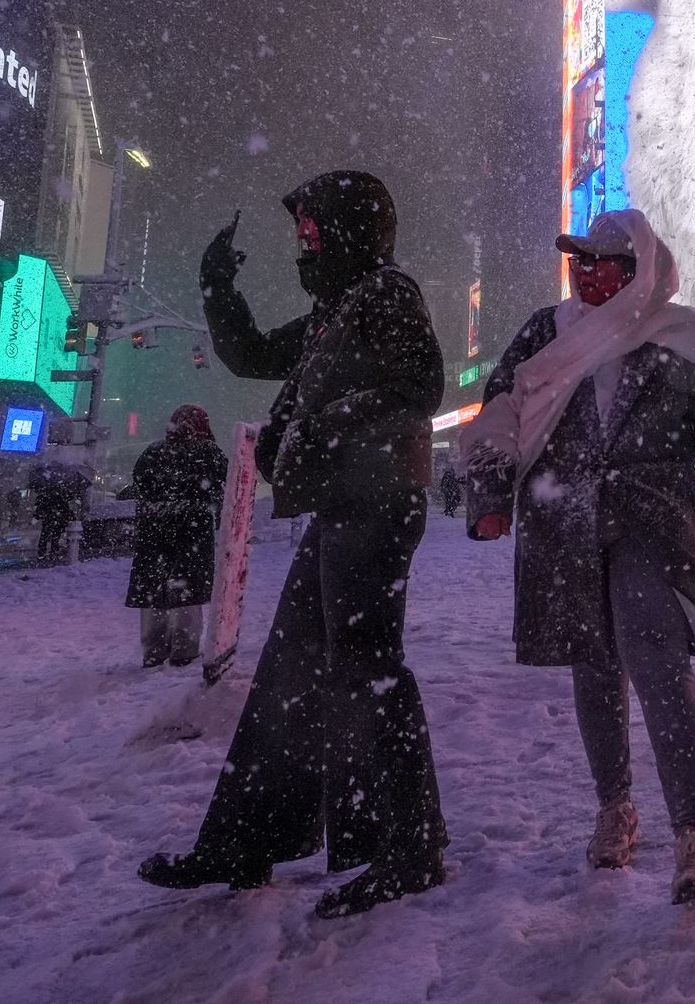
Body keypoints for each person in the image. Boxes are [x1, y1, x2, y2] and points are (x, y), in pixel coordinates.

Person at [139, 171, 448, 921]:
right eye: (300, 233)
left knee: (366, 669)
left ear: (348, 230)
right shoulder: (333, 312)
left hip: (377, 503)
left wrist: (321, 427)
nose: (302, 244)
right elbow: (246, 353)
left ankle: (410, 846)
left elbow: (421, 384)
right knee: (291, 674)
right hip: (345, 503)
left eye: (312, 231)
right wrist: (218, 285)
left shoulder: (384, 294)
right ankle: (245, 838)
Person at [463, 208, 695, 906]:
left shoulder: (687, 342)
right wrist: (490, 491)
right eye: (582, 259)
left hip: (650, 524)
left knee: (656, 661)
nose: (588, 272)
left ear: (642, 269)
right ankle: (615, 807)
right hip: (562, 522)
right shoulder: (548, 332)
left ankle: (694, 833)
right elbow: (502, 409)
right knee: (593, 666)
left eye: (605, 260)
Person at [124, 405, 228, 668]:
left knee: (153, 591)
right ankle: (184, 649)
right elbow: (224, 482)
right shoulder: (208, 452)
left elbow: (139, 482)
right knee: (187, 592)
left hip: (153, 532)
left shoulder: (154, 451)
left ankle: (154, 649)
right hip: (191, 532)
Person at [28, 450, 88, 565]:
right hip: (58, 513)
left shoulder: (46, 484)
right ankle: (52, 552)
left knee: (45, 533)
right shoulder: (64, 484)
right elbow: (68, 497)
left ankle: (42, 553)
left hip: (49, 513)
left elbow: (40, 499)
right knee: (55, 534)